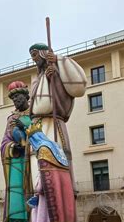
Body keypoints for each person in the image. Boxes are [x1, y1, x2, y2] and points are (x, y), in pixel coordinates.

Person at [28, 43, 87, 192]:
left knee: (55, 158)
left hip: (52, 124)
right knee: (37, 162)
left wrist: (57, 64)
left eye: (35, 54)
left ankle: (58, 193)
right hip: (37, 127)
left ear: (43, 53)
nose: (33, 59)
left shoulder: (56, 71)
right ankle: (39, 193)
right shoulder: (37, 79)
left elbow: (78, 88)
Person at [0, 81, 33, 222]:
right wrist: (13, 147)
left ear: (26, 97)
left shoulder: (35, 113)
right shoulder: (11, 118)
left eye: (18, 97)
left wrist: (26, 126)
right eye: (13, 99)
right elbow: (4, 142)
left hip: (32, 163)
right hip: (16, 165)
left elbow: (40, 133)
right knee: (17, 206)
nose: (16, 101)